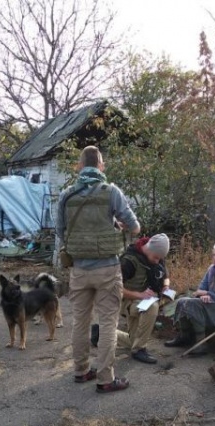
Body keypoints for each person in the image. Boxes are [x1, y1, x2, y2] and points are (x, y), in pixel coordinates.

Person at [55, 146, 140, 394]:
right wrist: (118, 224)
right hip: (107, 270)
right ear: (101, 167)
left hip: (78, 269)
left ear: (79, 167)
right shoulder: (111, 192)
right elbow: (134, 227)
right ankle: (105, 378)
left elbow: (60, 232)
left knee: (80, 323)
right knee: (107, 324)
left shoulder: (66, 195)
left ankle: (81, 371)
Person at [164, 242, 215, 355]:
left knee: (192, 304)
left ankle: (201, 344)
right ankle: (184, 337)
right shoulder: (212, 269)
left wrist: (210, 294)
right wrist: (204, 296)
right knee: (181, 301)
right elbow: (201, 288)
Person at [112, 233, 171, 364]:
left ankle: (103, 333)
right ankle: (139, 350)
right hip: (128, 301)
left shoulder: (157, 255)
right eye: (156, 258)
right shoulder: (128, 261)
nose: (157, 261)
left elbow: (166, 275)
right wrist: (140, 295)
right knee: (152, 307)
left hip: (144, 300)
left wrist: (166, 286)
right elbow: (114, 288)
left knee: (133, 341)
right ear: (148, 248)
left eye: (160, 259)